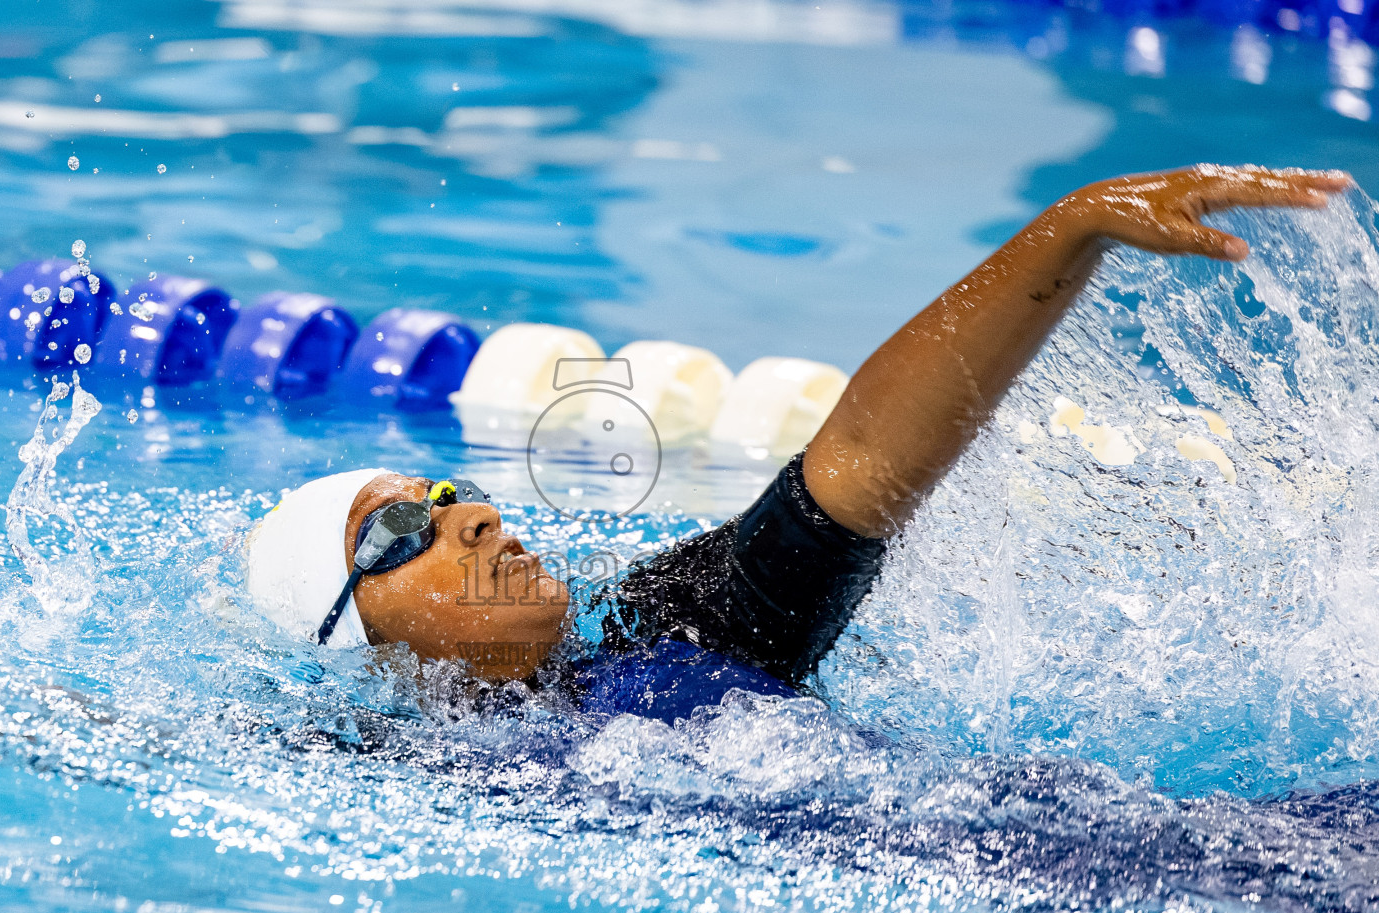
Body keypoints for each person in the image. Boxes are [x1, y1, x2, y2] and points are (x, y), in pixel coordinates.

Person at [247, 165, 1351, 722]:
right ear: (360, 644)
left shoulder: (665, 625)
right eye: (397, 530)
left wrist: (1075, 225)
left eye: (448, 491)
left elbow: (859, 461)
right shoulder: (407, 787)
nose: (473, 515)